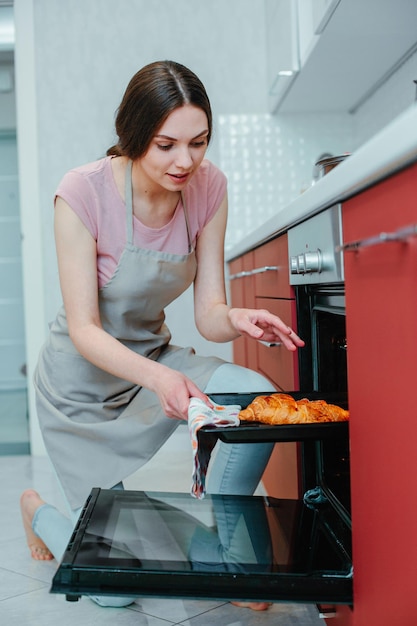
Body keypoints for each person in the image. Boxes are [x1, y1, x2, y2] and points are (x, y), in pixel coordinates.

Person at [20, 60, 304, 610]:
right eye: (165, 145)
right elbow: (84, 329)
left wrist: (237, 318)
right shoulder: (82, 192)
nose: (186, 162)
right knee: (116, 596)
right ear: (132, 138)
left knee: (258, 399)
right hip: (79, 390)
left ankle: (228, 555)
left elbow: (208, 313)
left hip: (152, 354)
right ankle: (40, 511)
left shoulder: (208, 185)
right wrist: (161, 380)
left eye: (198, 142)